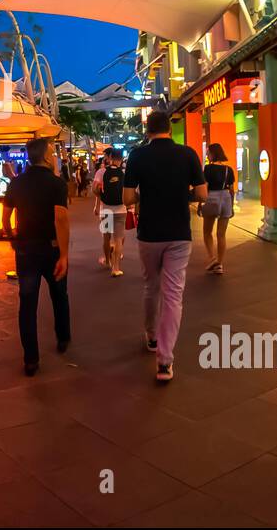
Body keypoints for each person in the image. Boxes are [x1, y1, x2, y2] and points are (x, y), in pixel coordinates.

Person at [123, 110, 206, 383]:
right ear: (169, 128)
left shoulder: (137, 156)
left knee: (151, 286)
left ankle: (151, 336)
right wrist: (182, 194)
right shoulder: (187, 154)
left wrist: (144, 193)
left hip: (149, 233)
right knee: (173, 296)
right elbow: (202, 192)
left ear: (147, 130)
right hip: (179, 234)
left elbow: (127, 198)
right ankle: (165, 361)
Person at [2, 136, 71, 377]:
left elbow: (5, 214)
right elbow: (61, 219)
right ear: (44, 156)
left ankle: (30, 358)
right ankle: (63, 338)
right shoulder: (56, 183)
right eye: (52, 152)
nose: (54, 156)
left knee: (28, 303)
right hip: (50, 248)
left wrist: (11, 236)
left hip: (25, 250)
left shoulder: (17, 183)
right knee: (59, 295)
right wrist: (64, 254)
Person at [201, 143, 236, 274]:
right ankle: (220, 264)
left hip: (212, 198)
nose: (207, 154)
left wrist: (200, 203)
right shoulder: (229, 169)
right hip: (226, 198)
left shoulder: (208, 169)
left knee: (207, 232)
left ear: (213, 154)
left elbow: (205, 187)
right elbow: (232, 190)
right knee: (221, 234)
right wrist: (231, 206)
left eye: (208, 152)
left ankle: (212, 258)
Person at [94, 147, 128, 278]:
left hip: (106, 209)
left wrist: (99, 198)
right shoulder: (125, 172)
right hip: (121, 209)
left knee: (106, 237)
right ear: (121, 159)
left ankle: (107, 261)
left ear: (110, 158)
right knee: (118, 239)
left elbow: (95, 190)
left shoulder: (102, 172)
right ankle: (116, 268)